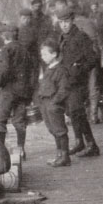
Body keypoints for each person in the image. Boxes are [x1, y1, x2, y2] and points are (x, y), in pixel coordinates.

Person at [54, 3, 100, 157]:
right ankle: (80, 142)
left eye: (66, 22)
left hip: (77, 82)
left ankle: (91, 144)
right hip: (66, 82)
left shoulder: (81, 36)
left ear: (72, 20)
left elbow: (94, 58)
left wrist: (79, 68)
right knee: (74, 113)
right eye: (61, 22)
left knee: (76, 111)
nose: (64, 25)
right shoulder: (62, 37)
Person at [0, 23, 32, 161]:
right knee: (19, 121)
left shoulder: (6, 50)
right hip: (23, 90)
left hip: (9, 91)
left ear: (4, 36)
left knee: (0, 121)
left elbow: (3, 70)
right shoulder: (24, 49)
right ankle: (21, 149)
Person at [37, 38, 72, 167]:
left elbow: (64, 90)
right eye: (42, 54)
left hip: (53, 104)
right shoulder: (48, 69)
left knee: (60, 130)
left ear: (54, 54)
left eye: (45, 54)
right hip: (45, 104)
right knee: (52, 129)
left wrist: (54, 102)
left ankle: (65, 156)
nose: (43, 57)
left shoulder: (60, 70)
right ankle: (59, 155)